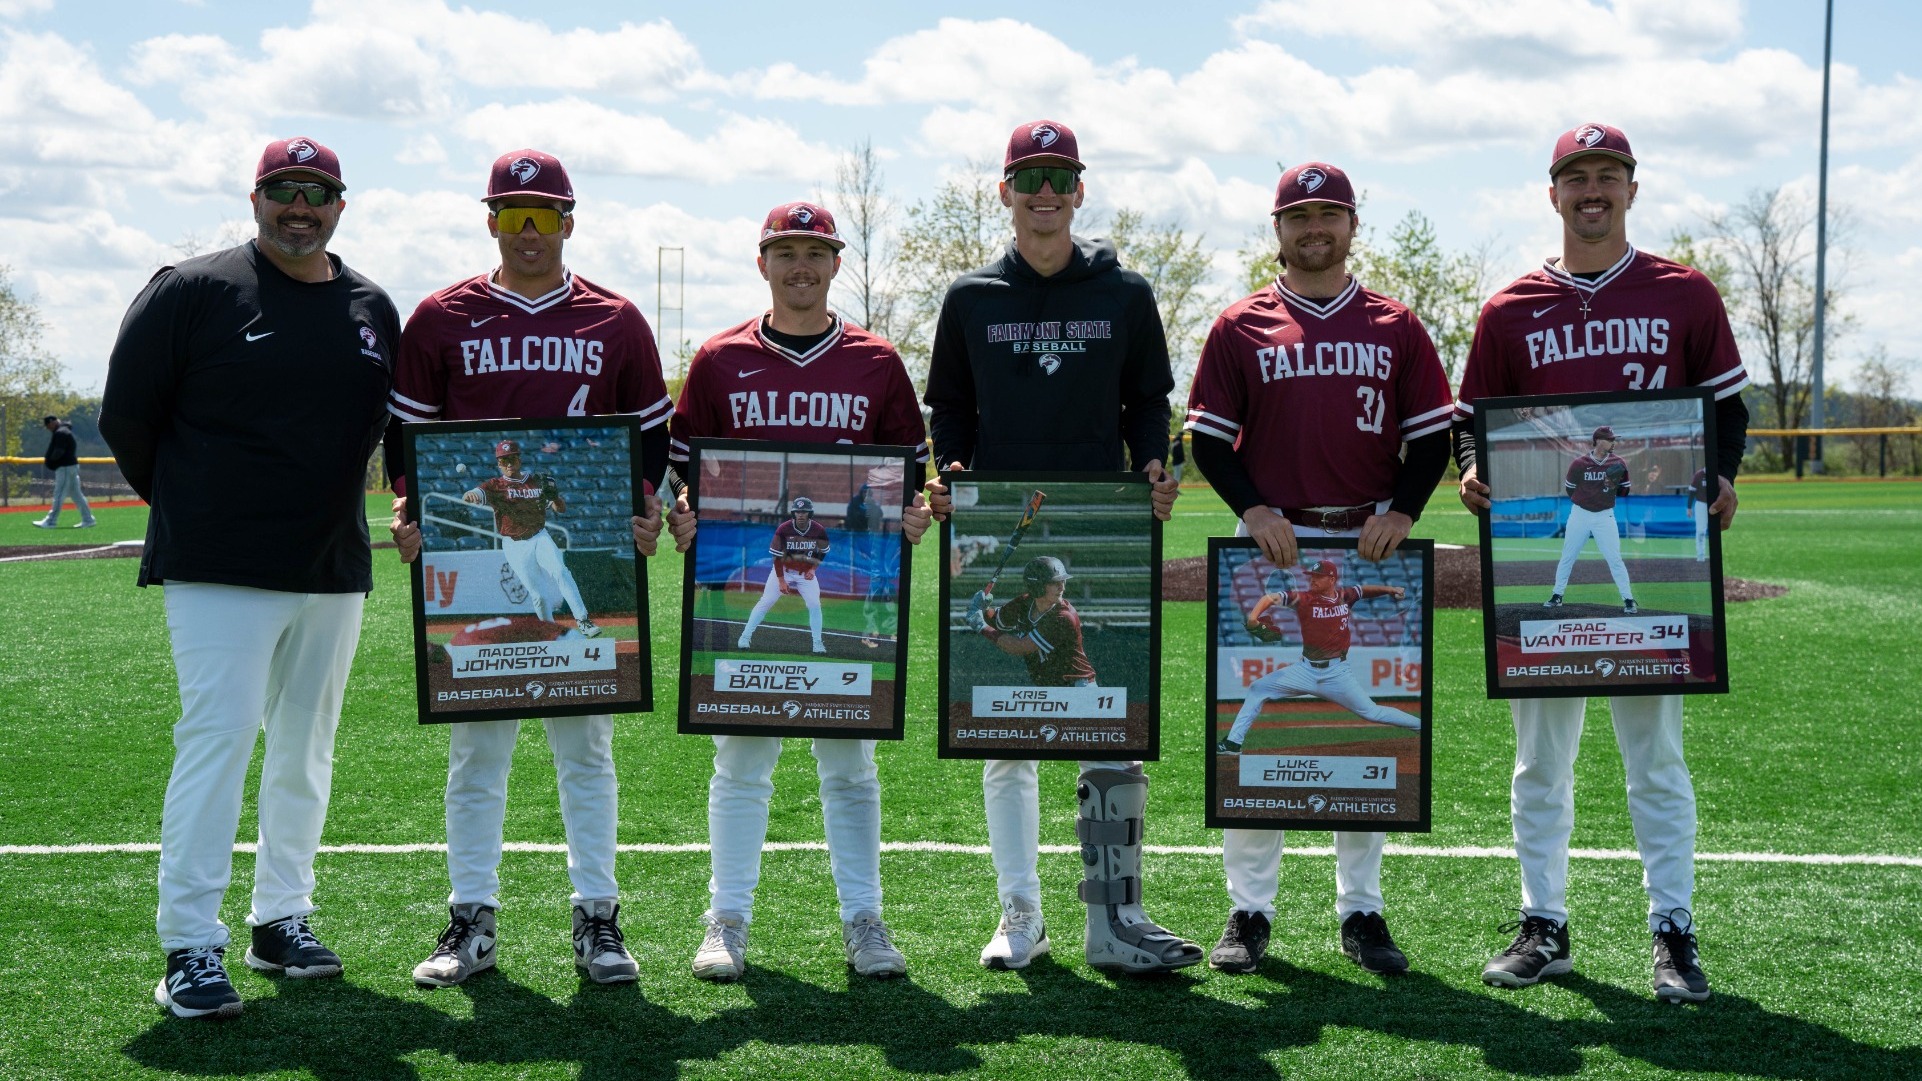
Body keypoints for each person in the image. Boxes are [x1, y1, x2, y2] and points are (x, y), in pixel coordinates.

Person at [99, 137, 397, 1019]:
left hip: (332, 563)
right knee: (220, 736)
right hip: (219, 566)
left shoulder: (372, 304)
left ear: (340, 204)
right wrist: (195, 507)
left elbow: (401, 434)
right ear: (257, 195)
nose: (298, 207)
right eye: (283, 190)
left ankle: (282, 917)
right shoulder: (191, 289)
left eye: (317, 192)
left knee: (306, 746)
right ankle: (188, 944)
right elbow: (126, 415)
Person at [1454, 123, 1749, 1004]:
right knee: (1540, 761)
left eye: (1607, 175)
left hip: (1647, 551)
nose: (1592, 189)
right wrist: (1474, 466)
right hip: (1546, 552)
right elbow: (1478, 419)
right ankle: (1544, 922)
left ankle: (1672, 929)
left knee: (1655, 758)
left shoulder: (1684, 293)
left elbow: (1725, 407)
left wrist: (1724, 474)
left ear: (1631, 187)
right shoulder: (1510, 308)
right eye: (1576, 176)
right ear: (1553, 194)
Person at [384, 149, 673, 988]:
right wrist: (412, 509)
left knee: (587, 748)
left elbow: (648, 437)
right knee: (477, 751)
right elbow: (405, 440)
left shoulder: (614, 320)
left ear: (569, 222)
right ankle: (471, 917)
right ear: (492, 222)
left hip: (570, 538)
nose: (530, 229)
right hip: (474, 562)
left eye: (544, 213)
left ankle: (599, 918)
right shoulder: (441, 316)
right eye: (514, 214)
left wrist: (645, 505)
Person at [923, 119, 1198, 975]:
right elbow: (951, 411)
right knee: (1003, 739)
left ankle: (1116, 916)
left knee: (1105, 730)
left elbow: (1147, 402)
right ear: (1004, 191)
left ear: (1080, 190)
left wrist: (1154, 461)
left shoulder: (1126, 293)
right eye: (1028, 176)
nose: (1044, 191)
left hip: (1097, 512)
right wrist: (954, 475)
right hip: (1002, 511)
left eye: (1060, 176)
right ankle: (1021, 915)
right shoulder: (970, 297)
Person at [1183, 161, 1453, 976]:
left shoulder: (1396, 323)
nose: (1315, 228)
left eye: (1329, 213)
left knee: (1367, 755)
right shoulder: (1241, 325)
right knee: (1251, 714)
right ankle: (1249, 908)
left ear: (1352, 224)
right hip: (1273, 537)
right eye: (1299, 216)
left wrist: (1404, 509)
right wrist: (1256, 507)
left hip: (1367, 532)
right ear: (1278, 229)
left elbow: (1433, 437)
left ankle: (1362, 909)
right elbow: (1204, 438)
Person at [664, 201, 933, 982]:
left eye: (816, 252)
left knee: (850, 765)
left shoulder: (876, 362)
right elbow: (687, 474)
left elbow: (905, 475)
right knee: (740, 761)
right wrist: (685, 516)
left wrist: (908, 517)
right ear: (763, 263)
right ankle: (728, 917)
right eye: (786, 252)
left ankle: (865, 919)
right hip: (753, 571)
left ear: (837, 264)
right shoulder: (719, 359)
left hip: (837, 576)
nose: (801, 266)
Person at [1219, 559, 1417, 754]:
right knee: (1257, 689)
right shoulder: (1303, 599)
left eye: (1318, 577)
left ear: (1331, 579)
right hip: (1305, 670)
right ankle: (1233, 744)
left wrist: (1390, 590)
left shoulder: (1345, 596)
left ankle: (1422, 726)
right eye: (1311, 576)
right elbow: (1269, 598)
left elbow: (1364, 590)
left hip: (1336, 673)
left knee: (1372, 712)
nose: (1312, 580)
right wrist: (1253, 618)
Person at [462, 438, 602, 636]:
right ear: (498, 464)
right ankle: (550, 632)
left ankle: (583, 621)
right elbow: (474, 493)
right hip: (514, 544)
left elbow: (560, 509)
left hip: (539, 536)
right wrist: (471, 494)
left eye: (512, 458)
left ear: (519, 459)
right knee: (539, 596)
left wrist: (555, 497)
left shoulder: (536, 480)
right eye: (504, 460)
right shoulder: (495, 485)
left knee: (561, 572)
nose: (509, 463)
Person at [965, 556, 1095, 686]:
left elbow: (1020, 647)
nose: (1062, 587)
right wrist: (982, 608)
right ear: (1037, 586)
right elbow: (995, 620)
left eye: (1063, 581)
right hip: (1049, 687)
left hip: (1077, 687)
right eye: (1054, 582)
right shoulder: (1025, 602)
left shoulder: (1064, 617)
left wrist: (981, 626)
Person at [1544, 426, 1635, 611]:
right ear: (1599, 441)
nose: (1613, 442)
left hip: (1605, 516)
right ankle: (1557, 595)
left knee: (1615, 559)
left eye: (1613, 439)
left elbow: (1625, 491)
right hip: (1580, 515)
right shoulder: (1580, 463)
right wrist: (1585, 501)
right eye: (1610, 439)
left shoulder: (1618, 462)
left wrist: (1613, 485)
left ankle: (1628, 599)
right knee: (1568, 556)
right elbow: (1570, 489)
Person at [737, 495, 829, 654]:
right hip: (783, 571)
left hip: (804, 573)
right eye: (798, 512)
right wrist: (781, 580)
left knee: (814, 604)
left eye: (804, 512)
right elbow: (776, 556)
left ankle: (817, 642)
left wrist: (813, 569)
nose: (801, 514)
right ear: (793, 513)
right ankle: (745, 636)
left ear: (809, 513)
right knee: (766, 601)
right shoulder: (784, 529)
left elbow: (823, 551)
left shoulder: (818, 529)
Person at [34, 415, 95, 529]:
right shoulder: (63, 430)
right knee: (76, 495)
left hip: (65, 467)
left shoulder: (61, 432)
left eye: (48, 425)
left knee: (59, 494)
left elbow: (59, 451)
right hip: (70, 467)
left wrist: (51, 462)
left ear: (52, 422)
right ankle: (88, 519)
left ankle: (50, 521)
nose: (48, 428)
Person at [1689, 465, 1712, 562]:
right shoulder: (1699, 475)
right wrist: (1689, 507)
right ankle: (1700, 555)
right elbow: (1692, 492)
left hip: (1714, 504)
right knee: (1701, 531)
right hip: (1701, 504)